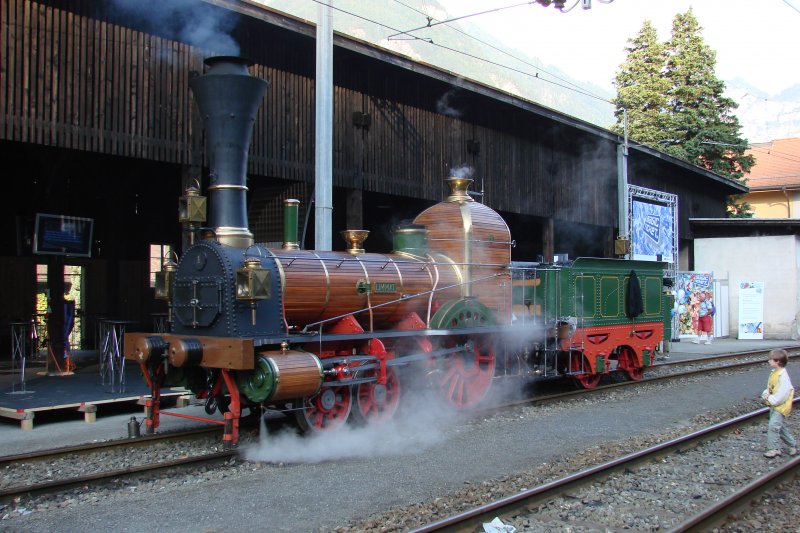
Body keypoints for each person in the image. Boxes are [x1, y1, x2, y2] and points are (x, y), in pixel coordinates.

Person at [761, 349, 797, 458]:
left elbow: (782, 395)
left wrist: (769, 399)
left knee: (773, 426)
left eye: (770, 360)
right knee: (779, 426)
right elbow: (770, 387)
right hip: (775, 405)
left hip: (781, 406)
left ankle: (773, 449)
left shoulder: (783, 377)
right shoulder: (775, 373)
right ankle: (792, 445)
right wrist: (766, 394)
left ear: (777, 361)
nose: (768, 361)